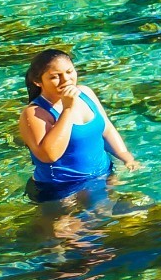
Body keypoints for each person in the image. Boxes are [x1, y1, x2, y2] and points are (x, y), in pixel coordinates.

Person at [16, 49, 141, 205]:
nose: (66, 80)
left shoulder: (85, 92)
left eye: (69, 72)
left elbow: (106, 129)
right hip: (61, 190)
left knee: (107, 222)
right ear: (37, 81)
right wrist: (67, 109)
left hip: (102, 176)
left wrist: (126, 157)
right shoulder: (34, 113)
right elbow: (48, 155)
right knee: (68, 229)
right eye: (55, 77)